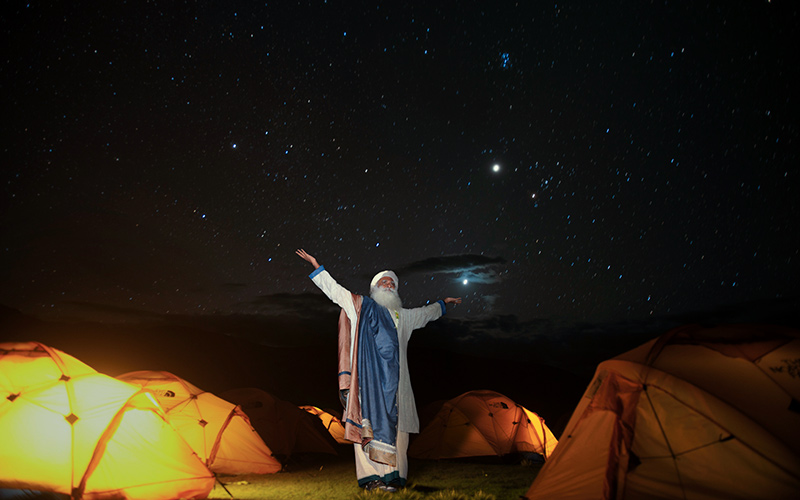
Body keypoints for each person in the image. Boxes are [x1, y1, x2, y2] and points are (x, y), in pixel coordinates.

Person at [296, 249, 462, 493]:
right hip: (367, 384)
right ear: (374, 288)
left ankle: (394, 478)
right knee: (367, 430)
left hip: (398, 386)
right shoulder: (362, 308)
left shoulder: (403, 317)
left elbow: (425, 314)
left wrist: (442, 305)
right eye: (383, 282)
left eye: (392, 283)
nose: (389, 285)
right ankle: (371, 479)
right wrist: (317, 268)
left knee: (400, 434)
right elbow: (337, 293)